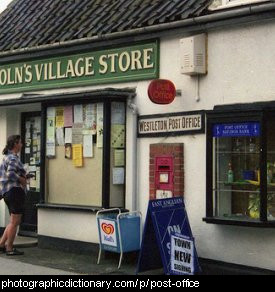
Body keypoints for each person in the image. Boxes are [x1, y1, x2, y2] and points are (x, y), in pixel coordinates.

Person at [0, 135, 27, 256]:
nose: (22, 145)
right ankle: (9, 248)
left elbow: (3, 176)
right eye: (20, 143)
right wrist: (21, 179)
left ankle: (1, 244)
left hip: (7, 192)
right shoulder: (13, 158)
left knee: (12, 221)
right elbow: (10, 173)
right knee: (15, 222)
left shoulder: (5, 157)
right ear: (15, 144)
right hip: (15, 191)